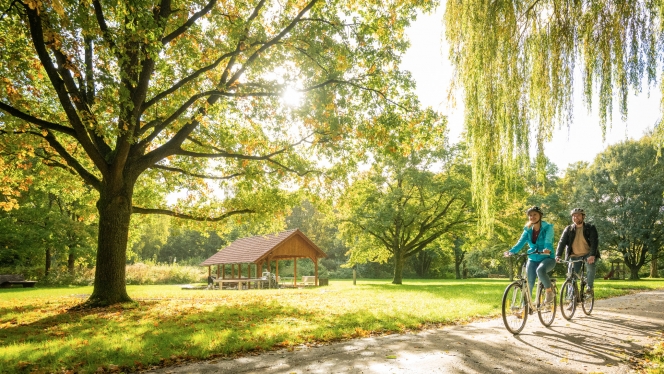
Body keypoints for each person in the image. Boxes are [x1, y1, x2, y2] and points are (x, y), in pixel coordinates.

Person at [504, 206, 556, 304]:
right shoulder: (527, 230)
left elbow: (548, 240)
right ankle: (524, 308)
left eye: (535, 214)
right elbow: (520, 242)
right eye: (530, 215)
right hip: (532, 258)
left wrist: (547, 249)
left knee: (540, 270)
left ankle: (549, 291)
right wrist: (511, 251)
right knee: (529, 283)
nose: (532, 217)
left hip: (547, 258)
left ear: (540, 216)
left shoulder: (548, 227)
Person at [556, 208, 599, 293]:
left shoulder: (590, 227)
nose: (576, 217)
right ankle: (571, 297)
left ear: (583, 217)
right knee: (571, 276)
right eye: (574, 216)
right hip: (574, 255)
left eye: (578, 215)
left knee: (590, 267)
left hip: (588, 254)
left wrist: (592, 255)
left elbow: (594, 241)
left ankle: (589, 287)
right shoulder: (568, 229)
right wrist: (558, 255)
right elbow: (562, 242)